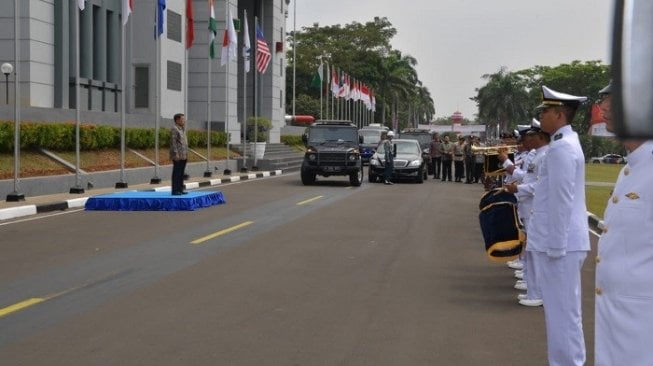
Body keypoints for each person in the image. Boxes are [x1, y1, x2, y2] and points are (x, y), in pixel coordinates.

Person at [527, 86, 590, 366]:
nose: (541, 117)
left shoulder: (561, 149)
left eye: (545, 112)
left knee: (563, 316)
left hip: (561, 246)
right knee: (560, 314)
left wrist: (555, 246)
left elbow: (562, 202)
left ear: (559, 114)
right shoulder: (562, 144)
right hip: (562, 243)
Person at [594, 81, 653, 365]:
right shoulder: (633, 166)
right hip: (619, 316)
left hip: (642, 324)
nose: (603, 107)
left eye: (612, 100)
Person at [505, 125, 550, 307]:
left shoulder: (545, 155)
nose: (523, 141)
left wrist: (518, 188)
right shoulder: (538, 154)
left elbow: (539, 185)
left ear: (539, 136)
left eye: (528, 136)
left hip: (535, 206)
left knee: (536, 251)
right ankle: (532, 288)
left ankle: (537, 292)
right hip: (529, 204)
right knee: (530, 247)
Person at [170, 113, 188, 195]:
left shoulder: (182, 129)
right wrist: (175, 154)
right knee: (176, 173)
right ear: (177, 120)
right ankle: (175, 190)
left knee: (181, 173)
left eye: (184, 119)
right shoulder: (175, 129)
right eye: (182, 119)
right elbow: (173, 142)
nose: (184, 121)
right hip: (177, 155)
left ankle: (180, 189)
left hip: (184, 154)